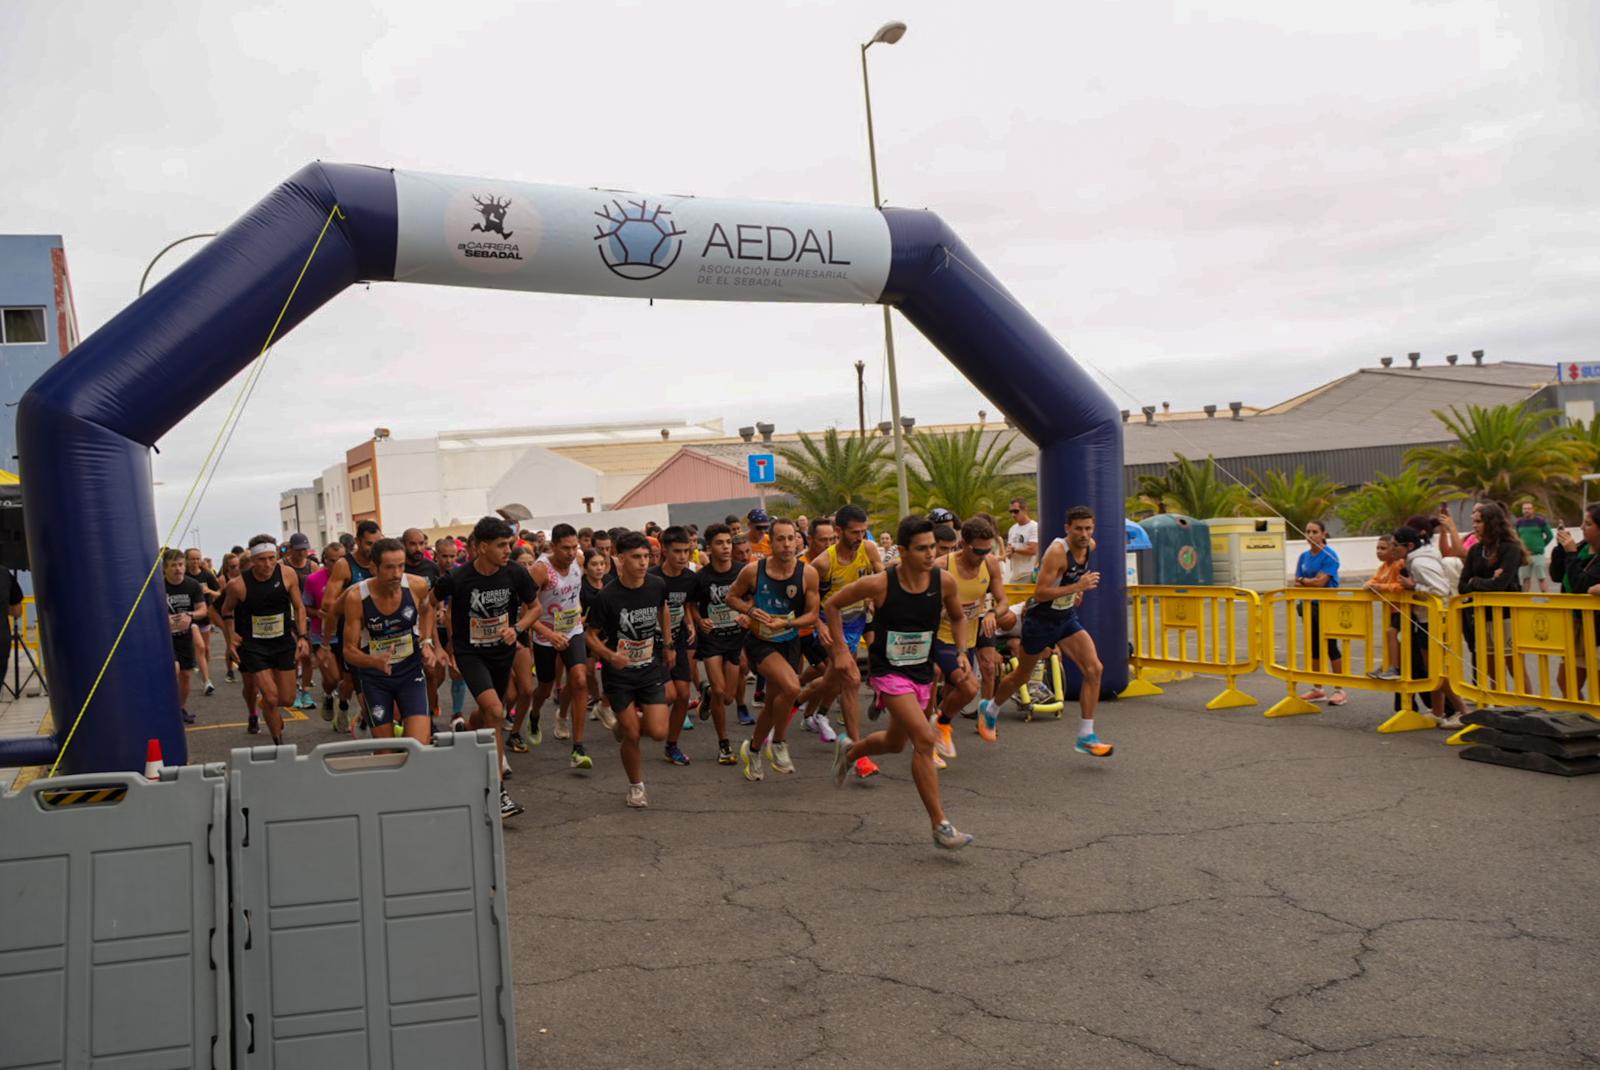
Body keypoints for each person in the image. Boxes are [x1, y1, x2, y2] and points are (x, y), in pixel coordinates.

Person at [825, 514, 974, 850]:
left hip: (922, 671)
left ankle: (851, 750)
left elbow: (958, 616)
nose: (929, 554)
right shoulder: (880, 583)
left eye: (933, 548)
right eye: (922, 548)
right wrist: (841, 653)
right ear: (903, 551)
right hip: (888, 671)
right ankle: (941, 825)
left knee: (895, 743)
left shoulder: (943, 581)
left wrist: (962, 652)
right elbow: (832, 604)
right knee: (924, 739)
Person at [976, 506, 1113, 755]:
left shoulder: (1090, 546)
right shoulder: (1058, 552)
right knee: (1022, 676)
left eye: (1088, 528)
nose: (1084, 533)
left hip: (1066, 618)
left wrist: (1076, 590)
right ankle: (990, 709)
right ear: (1067, 528)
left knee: (1095, 669)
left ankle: (1086, 735)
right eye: (1078, 529)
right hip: (1040, 620)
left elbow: (1070, 580)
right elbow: (1039, 593)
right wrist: (1076, 587)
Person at [431, 515, 538, 820]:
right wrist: (437, 646)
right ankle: (498, 791)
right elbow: (428, 604)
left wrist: (517, 628)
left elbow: (536, 608)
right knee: (496, 712)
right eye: (502, 545)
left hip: (501, 652)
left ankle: (466, 730)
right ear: (481, 547)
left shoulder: (515, 573)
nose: (508, 551)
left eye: (510, 545)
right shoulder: (458, 578)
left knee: (489, 711)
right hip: (471, 653)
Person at [584, 531, 675, 808]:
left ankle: (626, 725)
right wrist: (609, 655)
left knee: (659, 732)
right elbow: (590, 635)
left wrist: (669, 643)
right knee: (633, 735)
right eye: (636, 557)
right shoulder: (607, 596)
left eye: (646, 556)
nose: (643, 562)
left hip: (649, 668)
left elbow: (664, 609)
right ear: (620, 559)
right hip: (619, 675)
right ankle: (636, 787)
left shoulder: (657, 585)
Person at [795, 503, 884, 779]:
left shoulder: (868, 550)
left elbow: (881, 578)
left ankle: (789, 702)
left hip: (856, 622)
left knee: (830, 681)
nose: (860, 537)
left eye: (864, 531)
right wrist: (819, 624)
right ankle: (857, 753)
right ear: (838, 531)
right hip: (830, 626)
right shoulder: (822, 564)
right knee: (852, 679)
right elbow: (808, 605)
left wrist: (875, 601)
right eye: (855, 532)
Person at [727, 517, 818, 781]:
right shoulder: (754, 571)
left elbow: (812, 616)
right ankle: (778, 743)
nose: (787, 544)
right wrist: (751, 610)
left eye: (791, 538)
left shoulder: (807, 573)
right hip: (760, 642)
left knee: (772, 705)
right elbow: (731, 597)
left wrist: (787, 622)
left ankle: (753, 750)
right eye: (781, 539)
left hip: (789, 641)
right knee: (791, 688)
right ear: (771, 542)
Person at [929, 518, 1013, 761]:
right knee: (944, 681)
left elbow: (1003, 602)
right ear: (962, 544)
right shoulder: (942, 566)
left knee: (964, 684)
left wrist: (991, 612)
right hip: (940, 635)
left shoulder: (990, 564)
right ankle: (931, 734)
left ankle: (942, 723)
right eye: (978, 550)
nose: (984, 555)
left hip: (970, 632)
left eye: (988, 550)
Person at [341, 537, 440, 742]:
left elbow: (427, 609)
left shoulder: (417, 585)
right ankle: (368, 717)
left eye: (401, 566)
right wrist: (373, 661)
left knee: (418, 746)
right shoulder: (356, 597)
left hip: (410, 673)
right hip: (375, 679)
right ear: (373, 568)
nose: (396, 574)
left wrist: (427, 643)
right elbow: (349, 650)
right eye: (389, 567)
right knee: (386, 751)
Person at [218, 535, 310, 745]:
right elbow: (226, 610)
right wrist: (231, 636)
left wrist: (303, 636)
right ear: (252, 559)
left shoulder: (287, 574)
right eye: (262, 559)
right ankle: (278, 742)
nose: (268, 564)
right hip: (254, 646)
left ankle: (265, 706)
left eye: (271, 558)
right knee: (271, 697)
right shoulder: (238, 585)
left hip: (283, 642)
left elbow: (299, 607)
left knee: (286, 699)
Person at [523, 523, 593, 771]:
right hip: (545, 635)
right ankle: (535, 714)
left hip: (572, 630)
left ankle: (578, 746)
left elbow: (576, 593)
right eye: (566, 548)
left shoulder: (580, 561)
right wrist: (549, 634)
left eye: (575, 547)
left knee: (580, 680)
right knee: (544, 686)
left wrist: (579, 612)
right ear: (553, 547)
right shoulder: (540, 570)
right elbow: (526, 612)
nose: (572, 553)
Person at [1391, 524, 1465, 724]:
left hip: (1435, 619)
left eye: (1396, 545)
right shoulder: (1418, 558)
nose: (1393, 549)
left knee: (1436, 670)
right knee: (1432, 668)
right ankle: (1438, 712)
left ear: (1409, 545)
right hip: (1427, 618)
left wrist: (1413, 585)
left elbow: (1440, 589)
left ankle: (1463, 711)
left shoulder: (1420, 563)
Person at [1458, 501, 1527, 691]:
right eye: (1474, 521)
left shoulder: (1510, 548)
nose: (1474, 526)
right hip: (1482, 615)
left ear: (1491, 522)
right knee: (1490, 667)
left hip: (1506, 616)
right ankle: (1498, 708)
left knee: (1514, 665)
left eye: (1478, 521)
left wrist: (1476, 581)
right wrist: (1481, 581)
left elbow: (1501, 585)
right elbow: (1462, 586)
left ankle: (1531, 707)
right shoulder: (1475, 550)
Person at [688, 523, 742, 765]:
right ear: (709, 548)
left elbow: (750, 598)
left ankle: (707, 693)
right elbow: (691, 605)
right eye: (720, 543)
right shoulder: (702, 577)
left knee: (729, 696)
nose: (726, 547)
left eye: (728, 542)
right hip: (712, 640)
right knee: (721, 692)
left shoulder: (743, 572)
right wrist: (700, 621)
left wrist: (747, 614)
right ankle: (724, 745)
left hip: (736, 638)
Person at [321, 520, 381, 733]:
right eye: (369, 543)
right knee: (349, 681)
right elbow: (328, 603)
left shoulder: (383, 561)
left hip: (380, 632)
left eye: (377, 543)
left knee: (376, 683)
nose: (373, 548)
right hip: (352, 633)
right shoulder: (345, 565)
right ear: (357, 541)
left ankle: (366, 716)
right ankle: (345, 706)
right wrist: (357, 604)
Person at [651, 526, 701, 766]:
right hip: (652, 641)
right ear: (664, 551)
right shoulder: (651, 578)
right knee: (669, 694)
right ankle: (643, 710)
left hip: (678, 638)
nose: (683, 557)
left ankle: (672, 745)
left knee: (683, 694)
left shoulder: (690, 578)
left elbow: (688, 604)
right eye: (677, 551)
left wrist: (691, 623)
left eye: (686, 551)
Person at [1292, 520, 1347, 707]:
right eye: (1308, 531)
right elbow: (1296, 581)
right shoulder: (1303, 556)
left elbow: (1320, 582)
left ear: (1323, 534)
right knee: (1314, 647)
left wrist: (1306, 581)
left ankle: (1340, 689)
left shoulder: (1329, 555)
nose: (1311, 535)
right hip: (1308, 606)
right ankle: (1317, 688)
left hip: (1327, 606)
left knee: (1331, 646)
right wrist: (1306, 580)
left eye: (1315, 531)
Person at [1551, 505, 1600, 699]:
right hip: (1576, 623)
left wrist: (1571, 555)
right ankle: (1582, 722)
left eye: (1588, 524)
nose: (1581, 527)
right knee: (1567, 682)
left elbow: (1582, 585)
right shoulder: (1580, 548)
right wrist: (1560, 550)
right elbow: (1556, 576)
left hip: (1596, 627)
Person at [162, 548, 207, 724]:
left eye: (180, 564)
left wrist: (190, 616)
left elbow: (203, 610)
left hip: (185, 635)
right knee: (174, 668)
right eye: (173, 565)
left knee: (186, 675)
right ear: (165, 568)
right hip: (166, 638)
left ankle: (179, 708)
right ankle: (168, 707)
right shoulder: (159, 585)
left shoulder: (192, 585)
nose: (178, 569)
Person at [282, 534, 318, 710]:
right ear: (291, 549)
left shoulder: (312, 566)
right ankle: (294, 690)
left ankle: (305, 690)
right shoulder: (282, 566)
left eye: (305, 548)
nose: (302, 552)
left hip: (308, 615)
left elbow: (319, 589)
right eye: (298, 549)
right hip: (288, 616)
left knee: (307, 656)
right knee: (295, 655)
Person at [184, 547, 221, 694]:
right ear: (187, 560)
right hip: (190, 616)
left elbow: (219, 593)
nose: (195, 561)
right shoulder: (184, 575)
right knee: (198, 646)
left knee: (205, 648)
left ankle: (203, 669)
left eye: (198, 558)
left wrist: (208, 591)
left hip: (205, 615)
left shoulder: (207, 575)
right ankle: (206, 679)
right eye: (192, 559)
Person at [1515, 501, 1555, 593]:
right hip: (1525, 556)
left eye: (1529, 508)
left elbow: (1550, 535)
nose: (1527, 510)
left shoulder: (1540, 521)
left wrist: (1541, 546)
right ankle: (1524, 602)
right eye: (1525, 509)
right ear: (1522, 510)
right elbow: (1516, 538)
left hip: (1538, 555)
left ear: (1533, 510)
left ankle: (1546, 599)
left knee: (1541, 578)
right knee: (1525, 578)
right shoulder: (1519, 522)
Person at [1004, 498, 1040, 583]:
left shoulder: (1034, 527)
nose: (1013, 515)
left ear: (1025, 510)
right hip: (1015, 575)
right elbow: (1009, 551)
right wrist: (1008, 552)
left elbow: (1033, 550)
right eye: (1011, 512)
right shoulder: (1012, 529)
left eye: (1016, 511)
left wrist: (1014, 550)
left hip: (1029, 574)